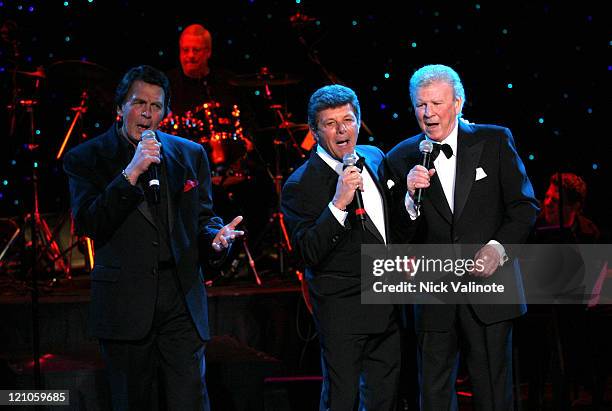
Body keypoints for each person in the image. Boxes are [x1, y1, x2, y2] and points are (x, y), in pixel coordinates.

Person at [63, 65, 244, 410]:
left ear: (165, 113)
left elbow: (203, 219)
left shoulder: (190, 154)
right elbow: (89, 222)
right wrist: (130, 173)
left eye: (156, 106)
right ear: (119, 108)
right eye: (138, 103)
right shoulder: (86, 158)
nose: (147, 112)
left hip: (181, 298)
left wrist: (215, 240)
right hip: (126, 303)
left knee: (189, 400)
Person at [385, 64, 539, 410]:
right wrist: (409, 199)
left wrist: (498, 249)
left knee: (493, 392)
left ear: (458, 102)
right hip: (433, 295)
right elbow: (396, 236)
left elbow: (524, 207)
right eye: (421, 105)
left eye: (437, 104)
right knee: (434, 392)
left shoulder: (495, 140)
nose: (429, 113)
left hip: (489, 289)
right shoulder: (400, 157)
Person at [281, 84, 400, 410]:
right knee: (342, 399)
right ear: (315, 131)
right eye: (330, 123)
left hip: (388, 304)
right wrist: (338, 203)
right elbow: (306, 252)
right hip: (343, 312)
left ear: (359, 121)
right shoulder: (299, 184)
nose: (341, 130)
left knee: (384, 397)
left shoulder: (375, 158)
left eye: (347, 120)